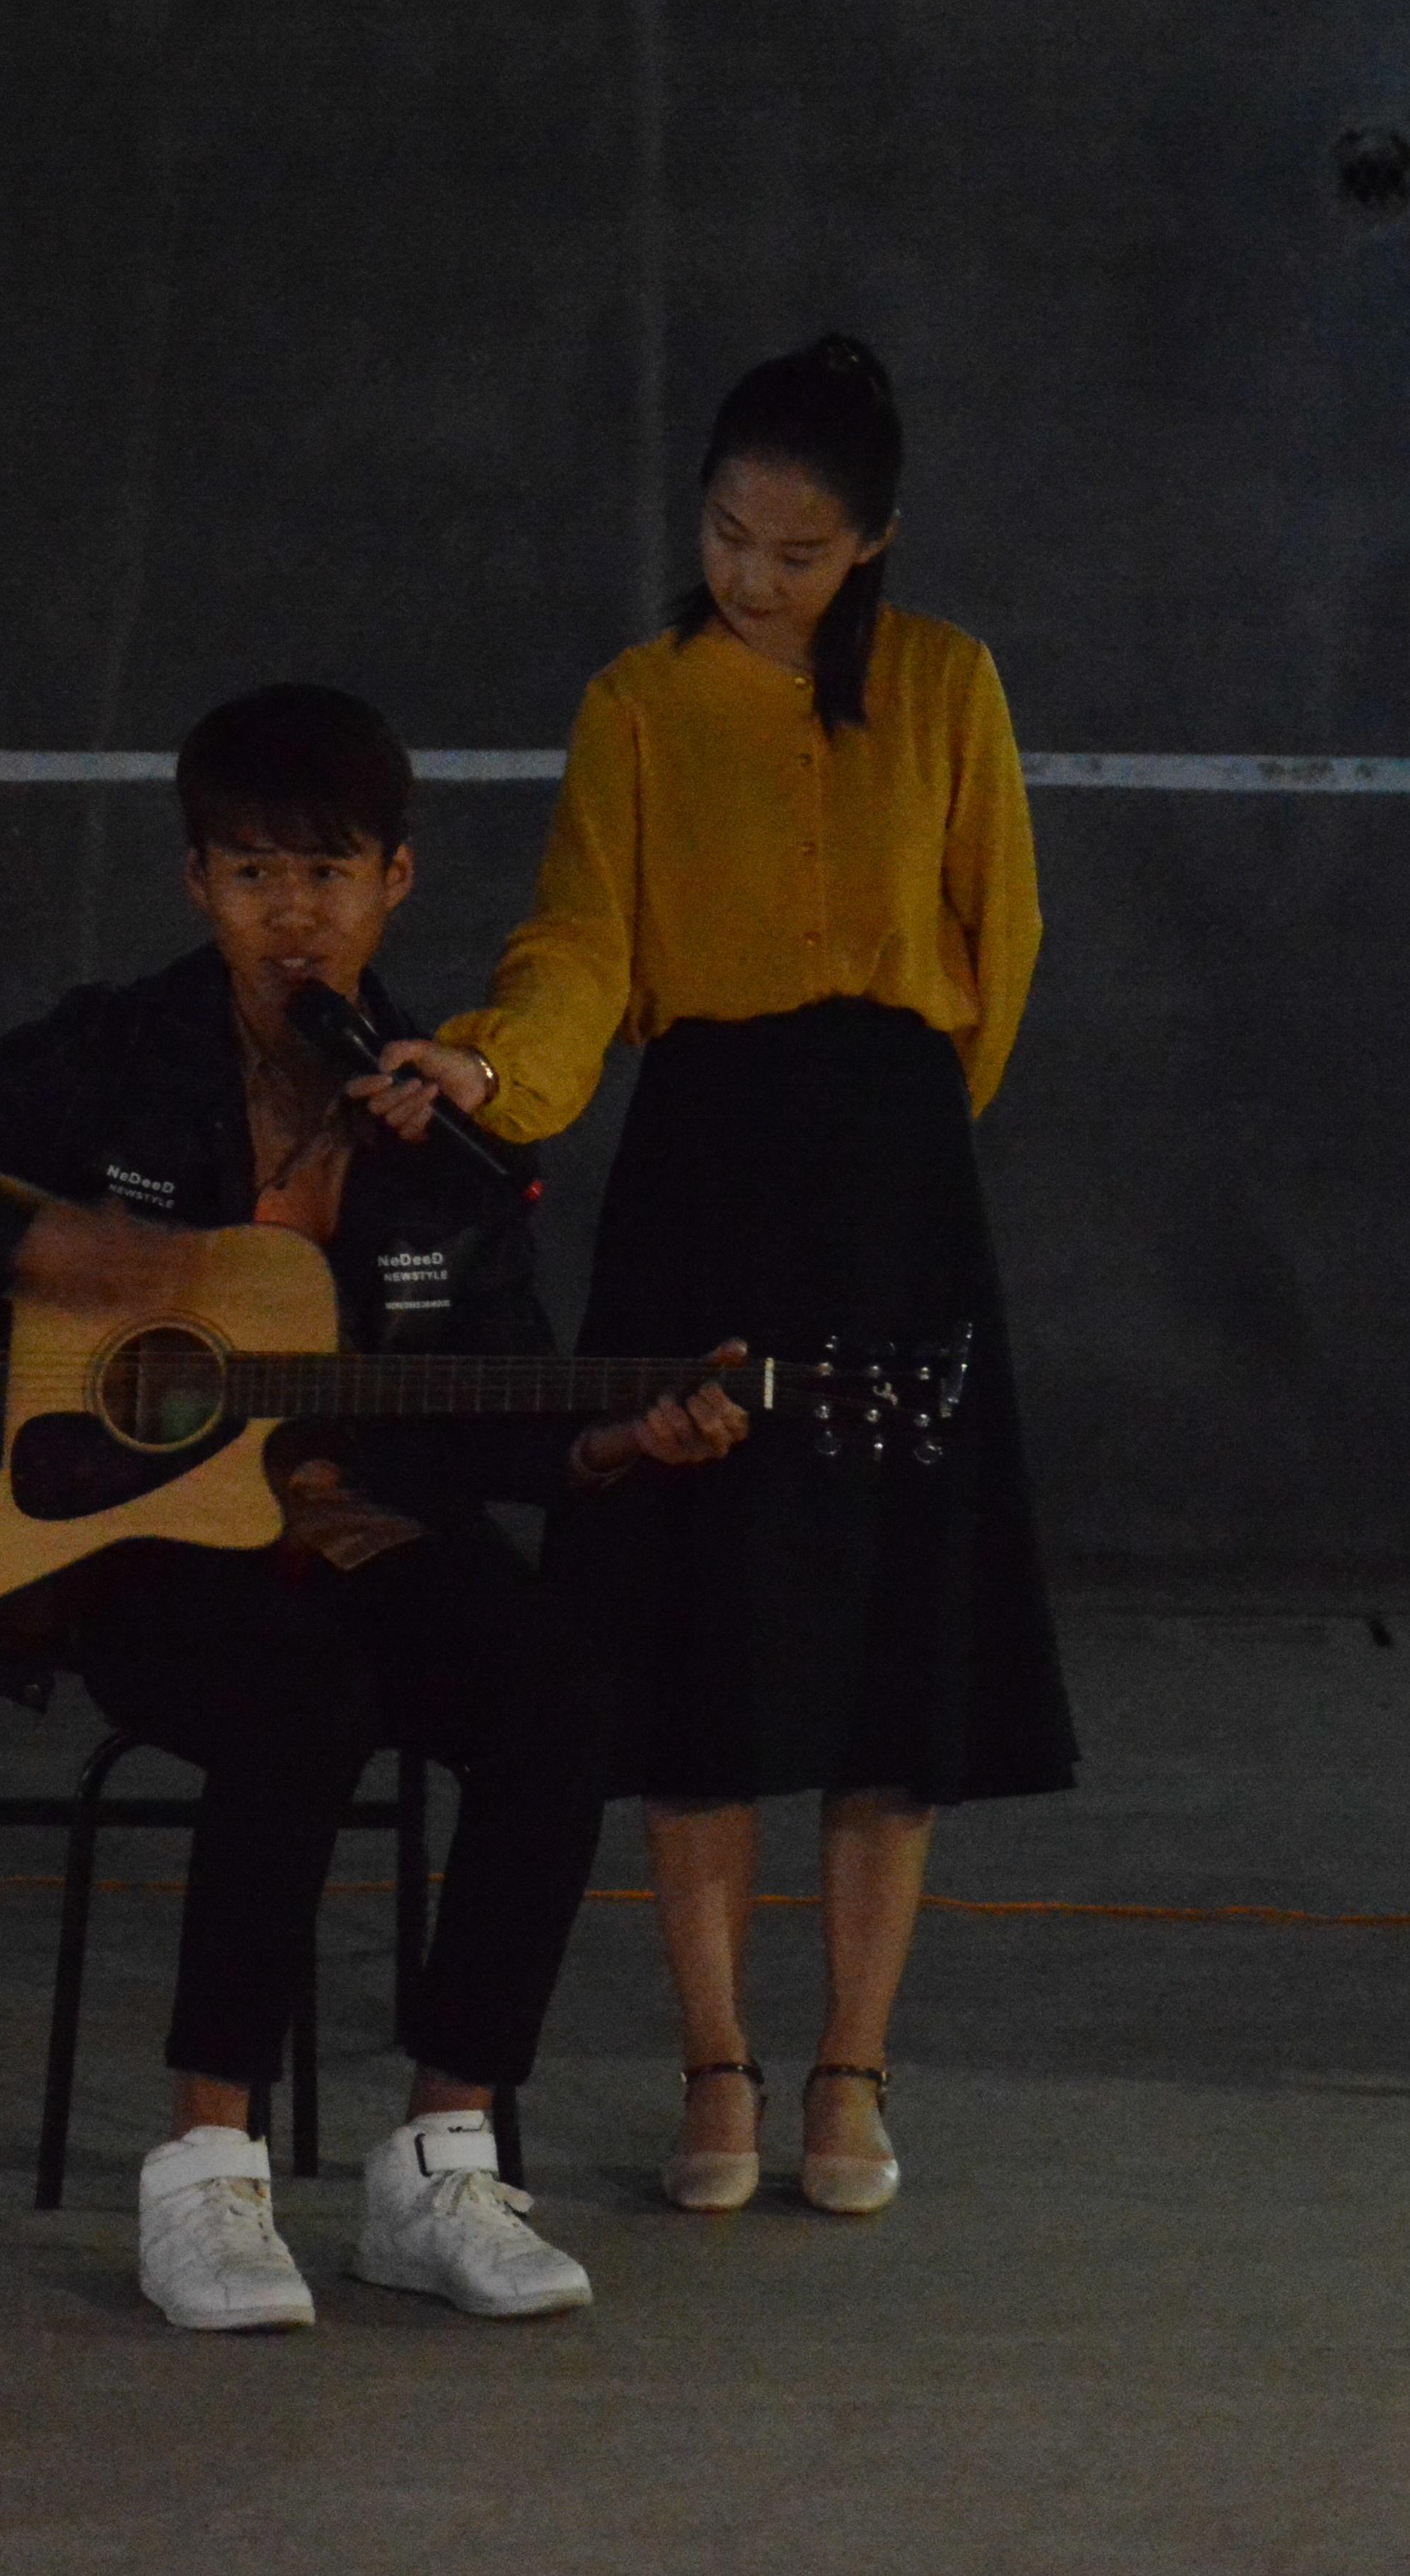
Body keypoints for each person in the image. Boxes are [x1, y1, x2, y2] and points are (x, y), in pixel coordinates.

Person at [0, 683, 750, 2333]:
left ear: (396, 882)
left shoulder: (446, 1133)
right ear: (198, 884)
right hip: (131, 1553)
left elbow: (505, 1410)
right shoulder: (120, 1058)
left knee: (564, 1684)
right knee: (303, 1690)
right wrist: (32, 1245)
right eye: (254, 874)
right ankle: (209, 2172)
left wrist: (617, 1438)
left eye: (329, 873)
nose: (294, 915)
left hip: (361, 1531)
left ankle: (441, 2159)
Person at [358, 337, 1076, 2220]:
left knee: (888, 1648)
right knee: (698, 1634)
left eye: (799, 551)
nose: (754, 576)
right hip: (707, 1175)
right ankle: (716, 2066)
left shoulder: (947, 685)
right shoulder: (639, 704)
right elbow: (583, 945)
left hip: (898, 1185)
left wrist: (902, 1125)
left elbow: (1002, 937)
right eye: (730, 536)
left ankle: (852, 2068)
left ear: (876, 543)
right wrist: (491, 1070)